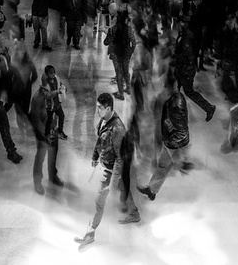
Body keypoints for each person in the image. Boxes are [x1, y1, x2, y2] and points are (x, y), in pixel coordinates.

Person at [75, 92, 139, 251]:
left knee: (99, 200)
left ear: (108, 108)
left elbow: (120, 159)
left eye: (100, 108)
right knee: (123, 189)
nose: (97, 110)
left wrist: (112, 182)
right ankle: (134, 213)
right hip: (107, 164)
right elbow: (100, 140)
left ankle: (90, 232)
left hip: (113, 169)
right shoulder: (104, 120)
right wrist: (95, 156)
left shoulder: (117, 129)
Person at [137, 72, 189, 201]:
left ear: (170, 87)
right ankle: (152, 190)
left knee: (166, 166)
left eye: (165, 85)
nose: (163, 87)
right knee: (162, 166)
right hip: (171, 141)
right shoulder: (173, 99)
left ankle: (182, 165)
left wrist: (173, 147)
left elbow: (181, 130)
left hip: (174, 143)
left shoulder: (177, 104)